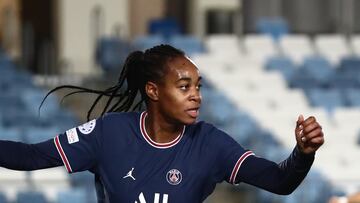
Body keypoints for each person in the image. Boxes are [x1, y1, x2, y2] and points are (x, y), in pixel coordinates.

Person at [0, 44, 324, 203]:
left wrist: (303, 153)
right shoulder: (108, 133)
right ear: (153, 91)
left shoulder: (210, 143)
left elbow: (280, 181)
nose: (196, 96)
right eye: (184, 87)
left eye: (198, 86)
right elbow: (31, 157)